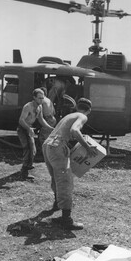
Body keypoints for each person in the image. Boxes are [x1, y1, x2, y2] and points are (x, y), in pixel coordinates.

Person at [42, 97, 97, 230]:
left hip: (48, 144)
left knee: (56, 177)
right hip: (57, 146)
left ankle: (57, 203)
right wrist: (87, 147)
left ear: (77, 106)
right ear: (89, 110)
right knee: (65, 181)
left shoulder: (69, 115)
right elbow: (74, 131)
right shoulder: (82, 116)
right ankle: (66, 219)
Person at [17, 88, 54, 180]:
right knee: (28, 149)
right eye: (39, 98)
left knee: (33, 150)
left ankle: (27, 167)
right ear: (34, 98)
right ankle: (24, 173)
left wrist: (50, 128)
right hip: (23, 129)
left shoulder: (39, 107)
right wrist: (29, 128)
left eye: (42, 98)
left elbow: (41, 120)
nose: (41, 100)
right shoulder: (28, 106)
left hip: (29, 129)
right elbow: (21, 120)